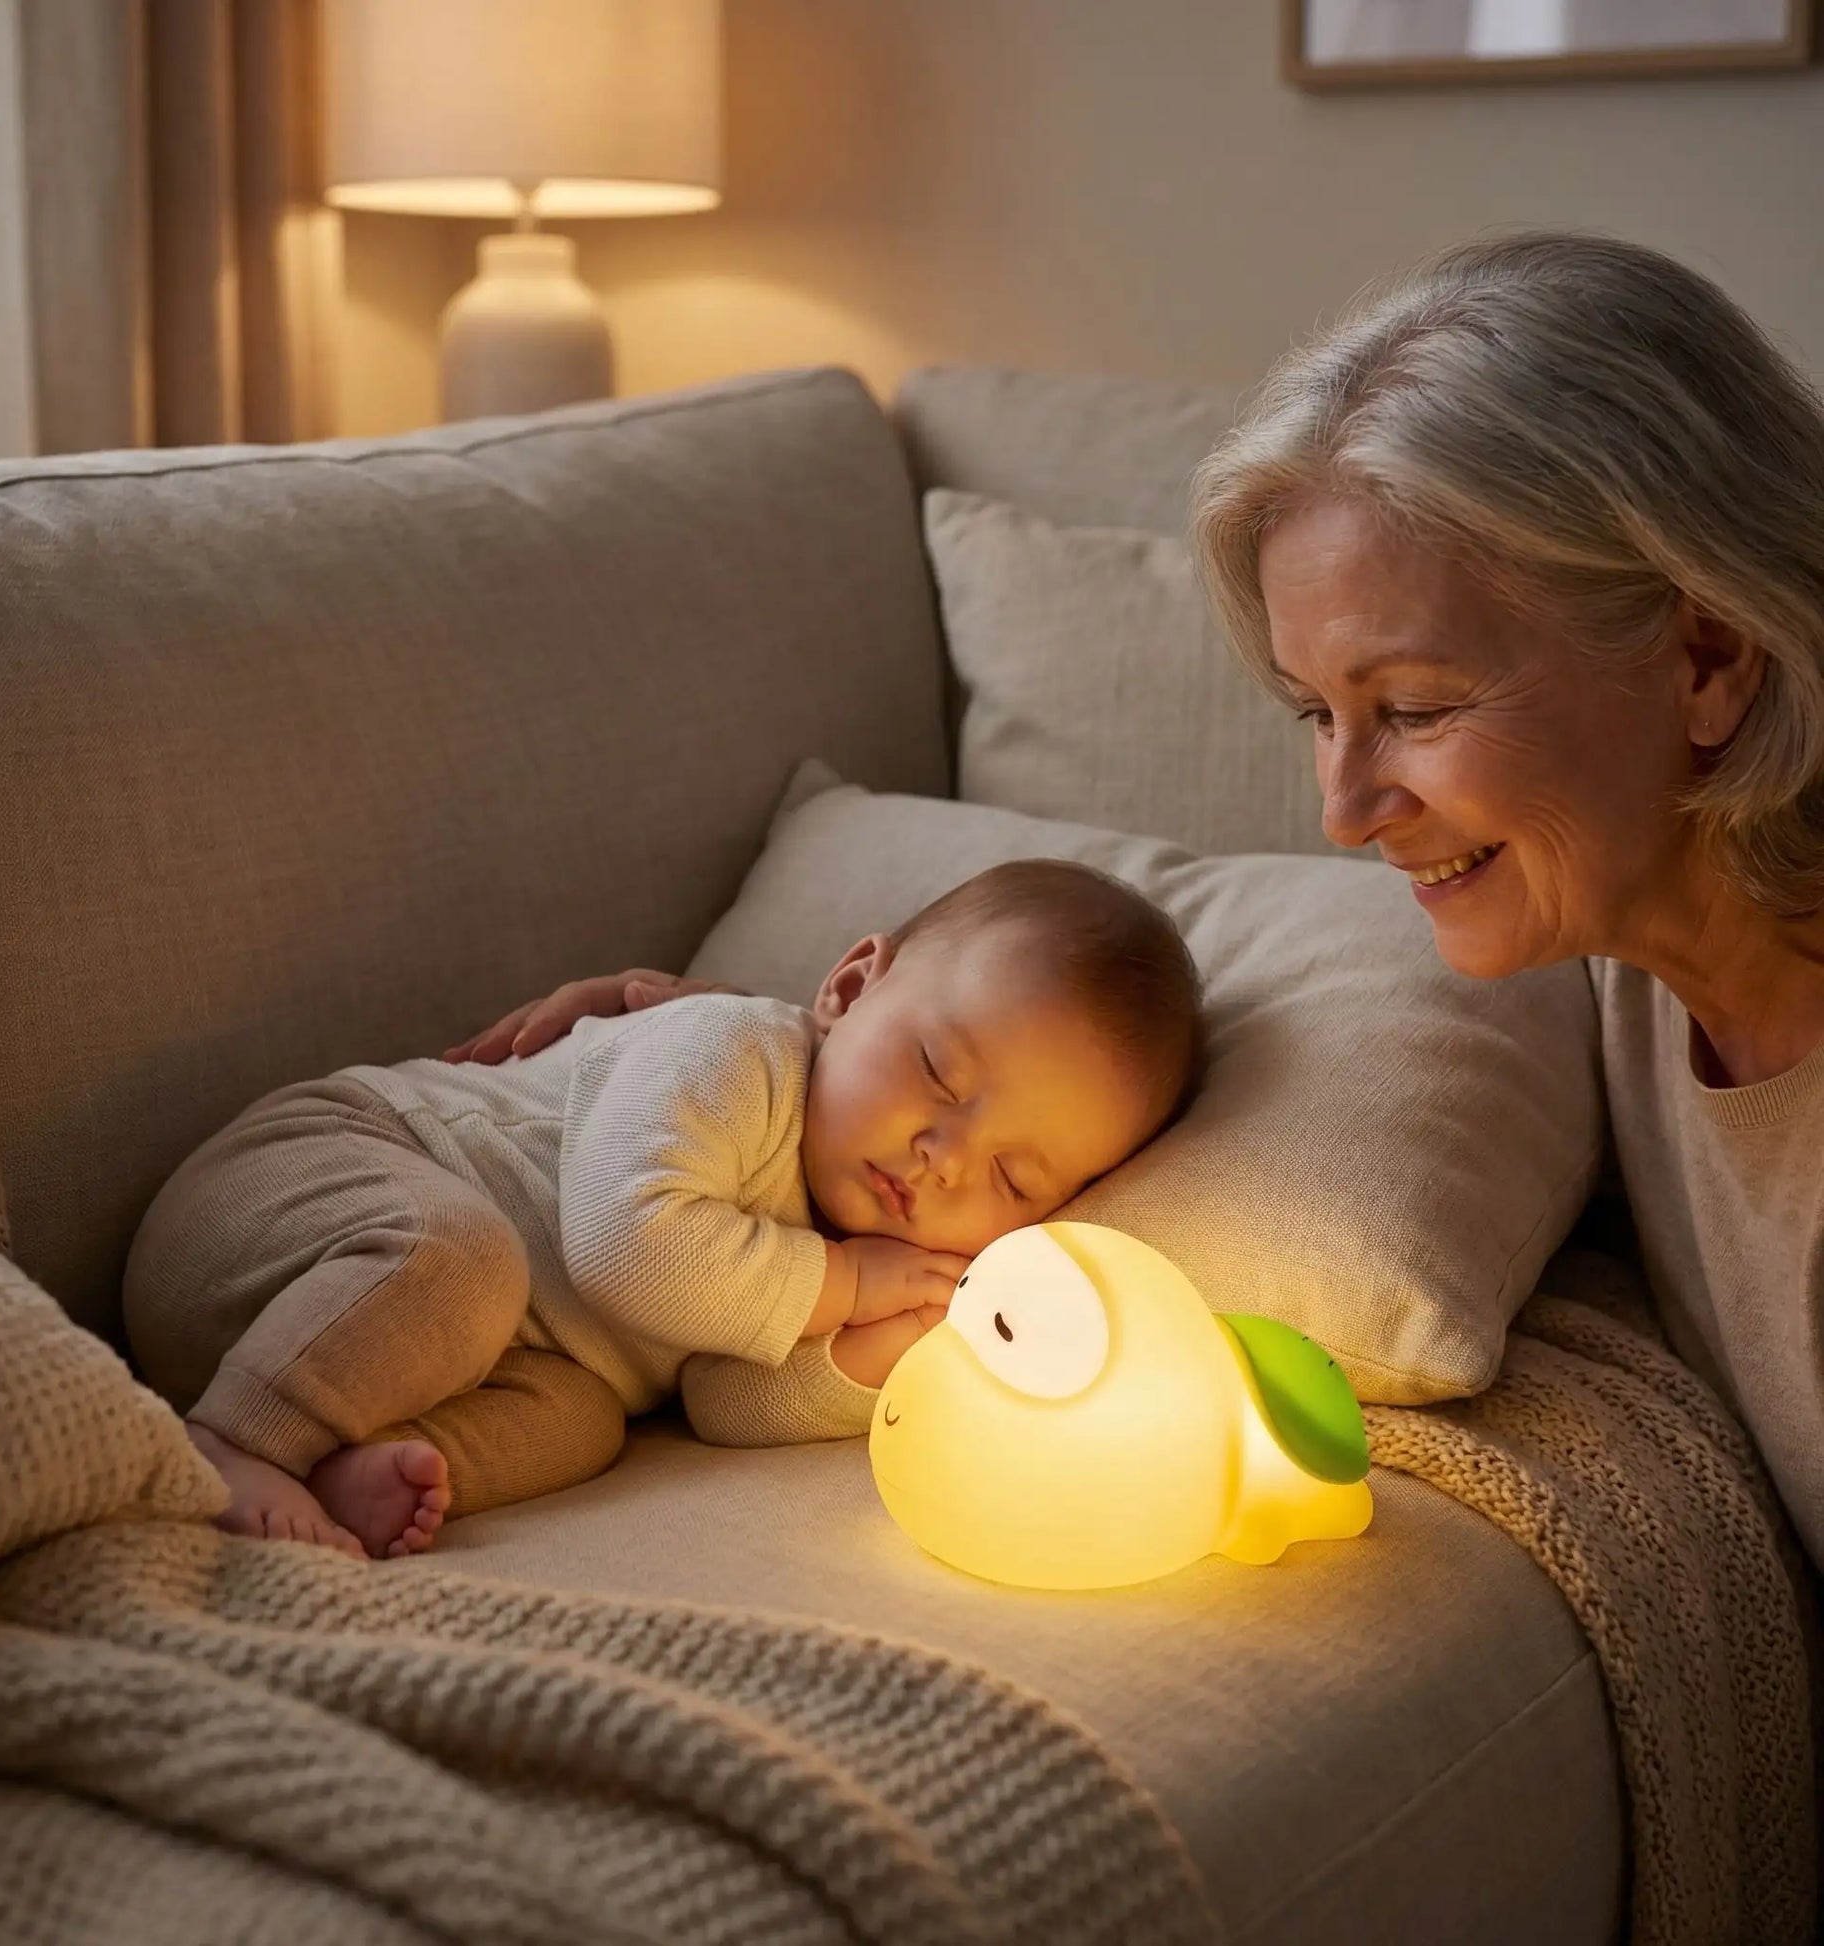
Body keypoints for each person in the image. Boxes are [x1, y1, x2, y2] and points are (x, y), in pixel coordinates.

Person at [458, 234, 1824, 1572]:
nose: (1344, 812)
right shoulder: (1628, 948)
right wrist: (696, 1048)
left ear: (1707, 654)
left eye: (1410, 708)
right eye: (1316, 713)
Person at [126, 859, 1200, 1561]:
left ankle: (332, 1457)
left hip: (415, 1336)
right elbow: (623, 1246)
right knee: (460, 1258)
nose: (945, 1156)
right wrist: (841, 1284)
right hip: (305, 1186)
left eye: (1014, 1180)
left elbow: (718, 1402)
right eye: (934, 1067)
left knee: (588, 1420)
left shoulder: (849, 1234)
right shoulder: (732, 1050)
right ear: (848, 988)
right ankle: (231, 1435)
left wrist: (861, 1358)